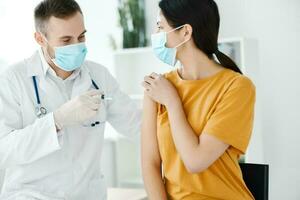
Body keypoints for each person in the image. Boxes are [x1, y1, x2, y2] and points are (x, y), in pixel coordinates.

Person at [0, 0, 141, 199]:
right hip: (32, 195)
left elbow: (138, 126)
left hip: (86, 194)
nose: (77, 46)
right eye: (66, 40)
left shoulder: (99, 77)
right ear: (40, 39)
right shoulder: (13, 80)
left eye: (81, 37)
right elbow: (3, 150)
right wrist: (57, 120)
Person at [141, 0, 256, 199]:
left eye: (161, 27)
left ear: (185, 32)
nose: (156, 35)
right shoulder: (157, 87)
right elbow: (149, 164)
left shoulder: (237, 87)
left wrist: (173, 102)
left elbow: (195, 161)